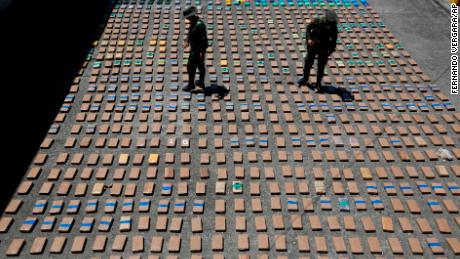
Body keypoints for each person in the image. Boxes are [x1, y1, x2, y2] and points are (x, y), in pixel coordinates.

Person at [298, 9, 338, 93]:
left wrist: (329, 51)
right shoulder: (318, 21)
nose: (331, 22)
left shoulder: (334, 27)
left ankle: (318, 84)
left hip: (324, 48)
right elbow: (308, 29)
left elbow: (333, 41)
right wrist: (309, 39)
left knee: (321, 67)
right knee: (308, 62)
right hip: (313, 45)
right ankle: (305, 79)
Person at [182, 6, 209, 91]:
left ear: (191, 16)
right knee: (200, 66)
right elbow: (190, 33)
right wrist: (187, 41)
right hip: (195, 49)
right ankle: (201, 82)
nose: (187, 19)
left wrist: (201, 52)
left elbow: (203, 39)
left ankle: (191, 85)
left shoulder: (200, 25)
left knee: (190, 67)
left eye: (188, 17)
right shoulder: (193, 22)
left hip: (197, 50)